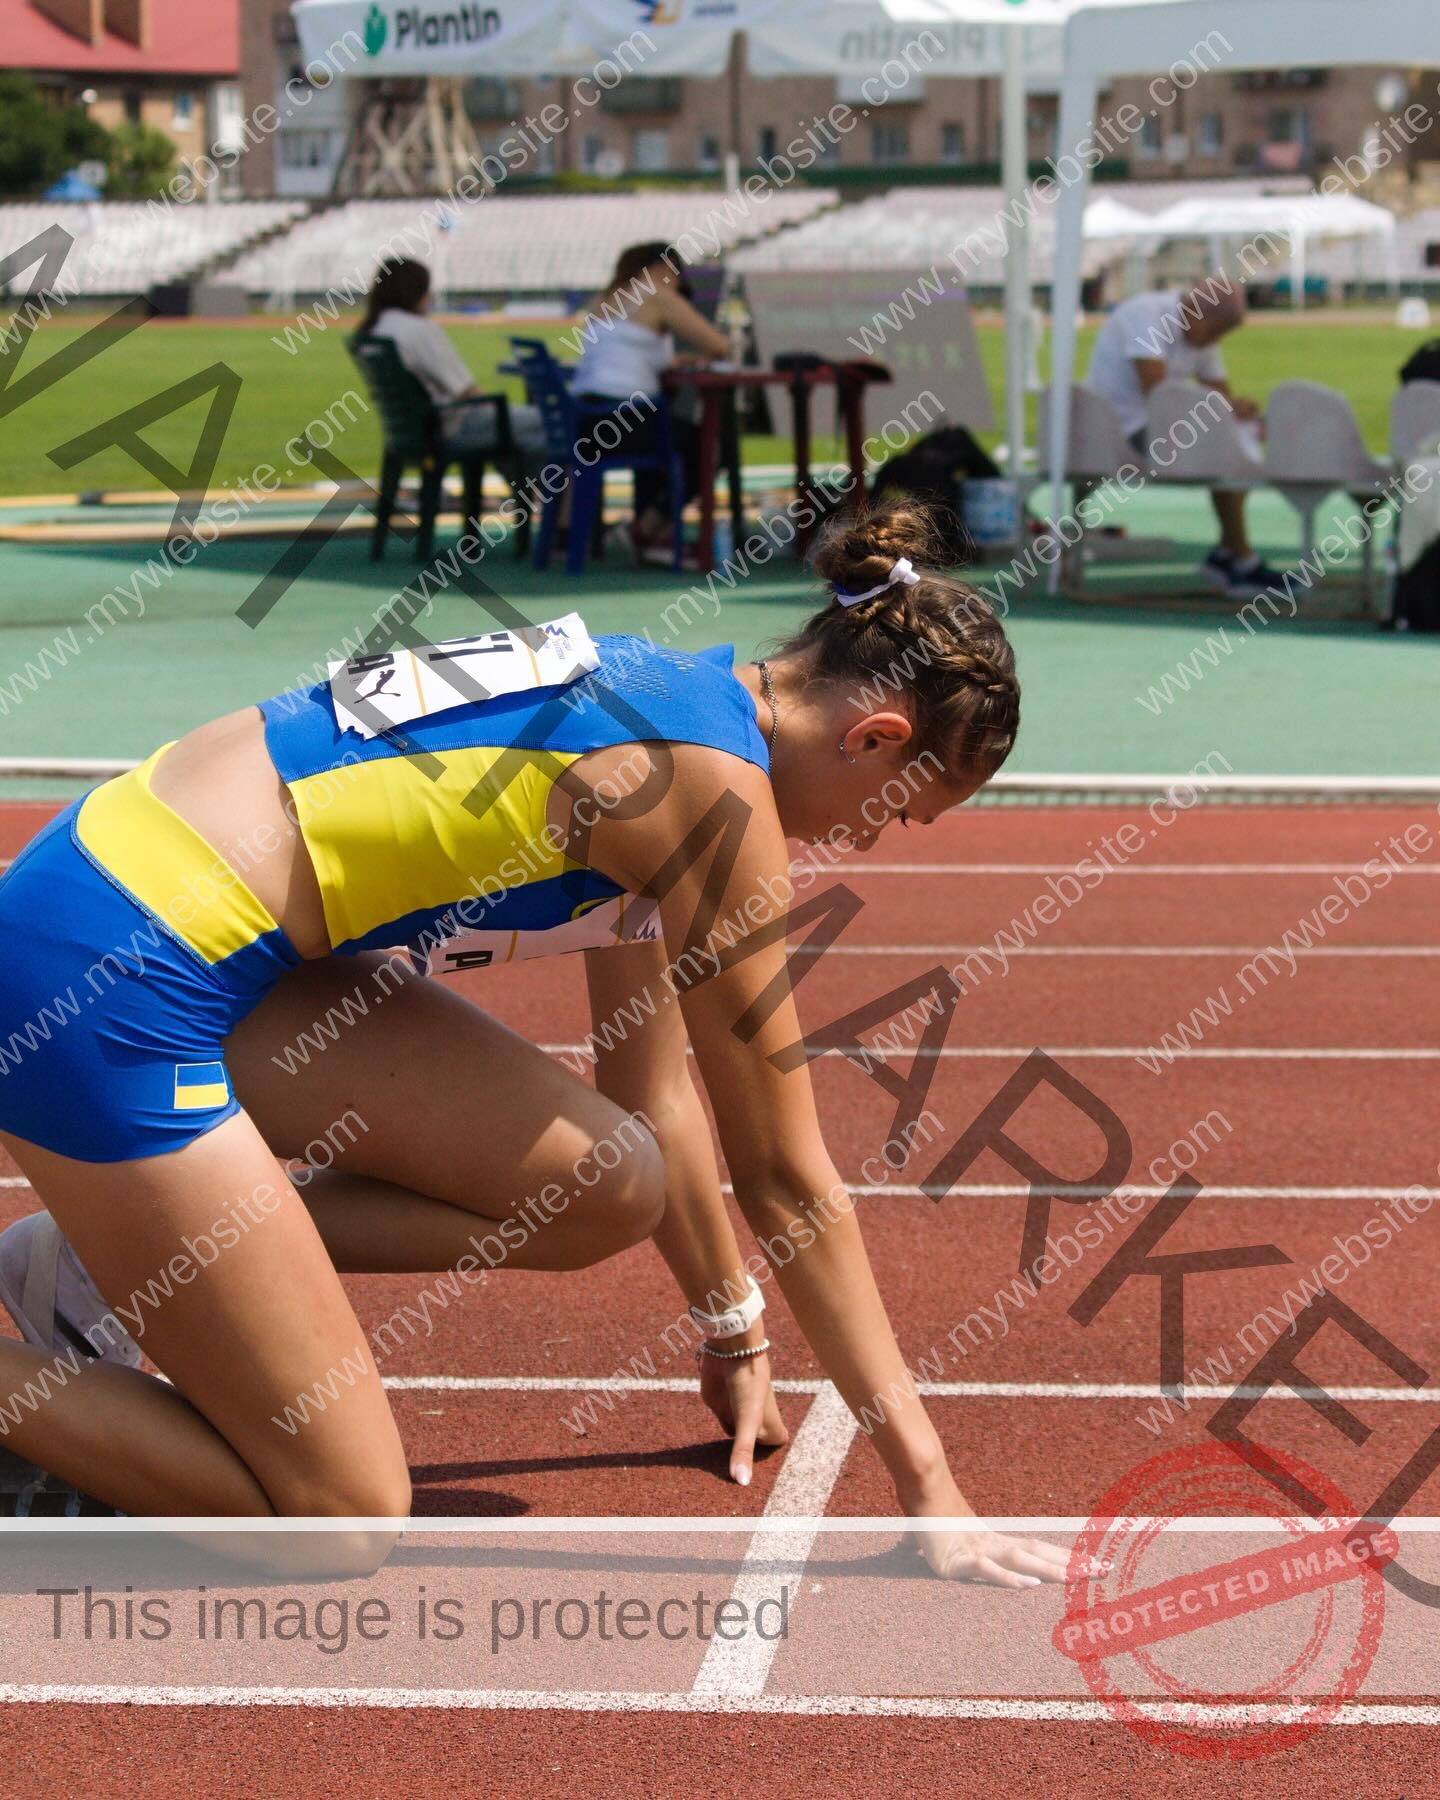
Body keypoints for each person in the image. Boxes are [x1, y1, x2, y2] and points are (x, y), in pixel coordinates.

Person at [0, 500, 1066, 1589]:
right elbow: (785, 1173)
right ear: (877, 736)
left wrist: (733, 1321)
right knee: (336, 1521)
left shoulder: (671, 704)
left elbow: (651, 1091)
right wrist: (935, 1493)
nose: (863, 838)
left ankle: (88, 1259)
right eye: (890, 811)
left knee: (605, 1183)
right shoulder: (712, 800)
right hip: (108, 974)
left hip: (150, 906)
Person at [1085, 279, 1283, 599]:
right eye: (1216, 333)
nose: (1215, 342)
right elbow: (1159, 393)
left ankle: (1231, 551)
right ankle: (1239, 557)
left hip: (1165, 424)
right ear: (1197, 314)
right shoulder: (1146, 316)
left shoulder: (1201, 333)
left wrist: (1240, 414)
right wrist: (1227, 409)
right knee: (1223, 445)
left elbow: (1216, 393)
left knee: (1237, 437)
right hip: (1124, 428)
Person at [571, 241, 730, 563]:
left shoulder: (600, 301)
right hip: (628, 419)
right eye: (677, 278)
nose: (678, 287)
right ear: (662, 269)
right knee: (710, 447)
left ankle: (654, 535)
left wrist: (671, 360)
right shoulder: (657, 295)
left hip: (585, 420)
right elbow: (719, 346)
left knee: (672, 433)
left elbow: (626, 353)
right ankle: (644, 530)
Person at [356, 257, 544, 462]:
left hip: (412, 433)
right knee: (557, 425)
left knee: (522, 437)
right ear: (416, 291)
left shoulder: (374, 332)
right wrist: (499, 412)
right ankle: (548, 492)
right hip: (450, 428)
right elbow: (465, 390)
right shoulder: (418, 329)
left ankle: (528, 491)